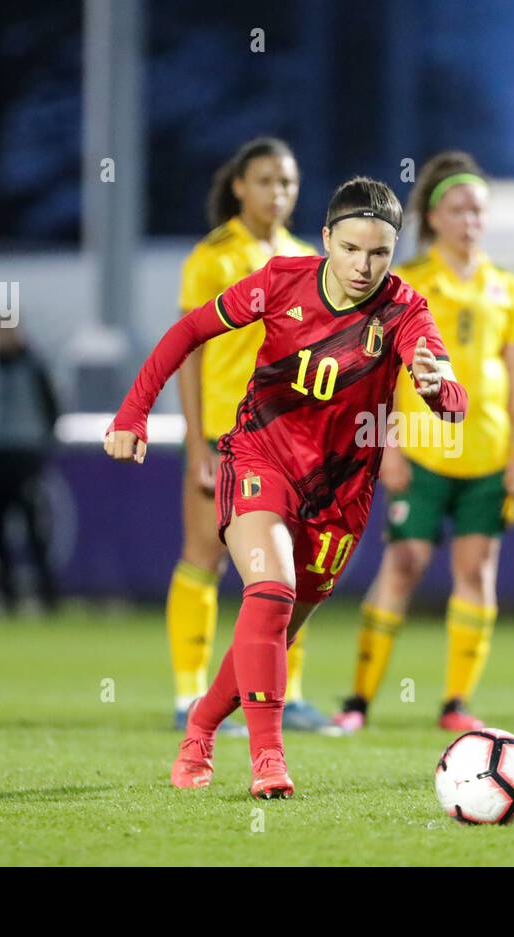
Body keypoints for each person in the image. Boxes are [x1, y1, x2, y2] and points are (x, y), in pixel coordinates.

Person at [106, 177, 467, 798]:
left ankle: (200, 726)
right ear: (326, 239)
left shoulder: (405, 308)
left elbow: (452, 399)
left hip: (341, 492)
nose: (364, 265)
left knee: (274, 628)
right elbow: (188, 331)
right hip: (259, 456)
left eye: (379, 252)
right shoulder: (279, 281)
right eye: (351, 248)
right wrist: (132, 413)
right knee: (269, 589)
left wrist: (438, 388)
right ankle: (268, 760)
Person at [331, 152, 514, 733]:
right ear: (433, 216)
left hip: (488, 453)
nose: (471, 218)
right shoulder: (408, 283)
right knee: (405, 561)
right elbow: (379, 370)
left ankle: (455, 704)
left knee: (476, 571)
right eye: (458, 208)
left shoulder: (509, 290)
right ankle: (358, 701)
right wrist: (387, 446)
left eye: (478, 208)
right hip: (420, 447)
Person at [167, 137, 327, 734]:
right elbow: (189, 352)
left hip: (291, 437)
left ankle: (291, 692)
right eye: (265, 181)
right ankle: (188, 694)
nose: (277, 193)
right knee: (203, 558)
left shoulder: (309, 257)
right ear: (239, 186)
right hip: (224, 435)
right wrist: (194, 444)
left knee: (294, 567)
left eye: (286, 182)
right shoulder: (211, 258)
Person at [0, 323, 60, 613]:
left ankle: (47, 594)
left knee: (34, 528)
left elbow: (52, 408)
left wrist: (39, 442)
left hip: (25, 456)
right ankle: (6, 593)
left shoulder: (35, 368)